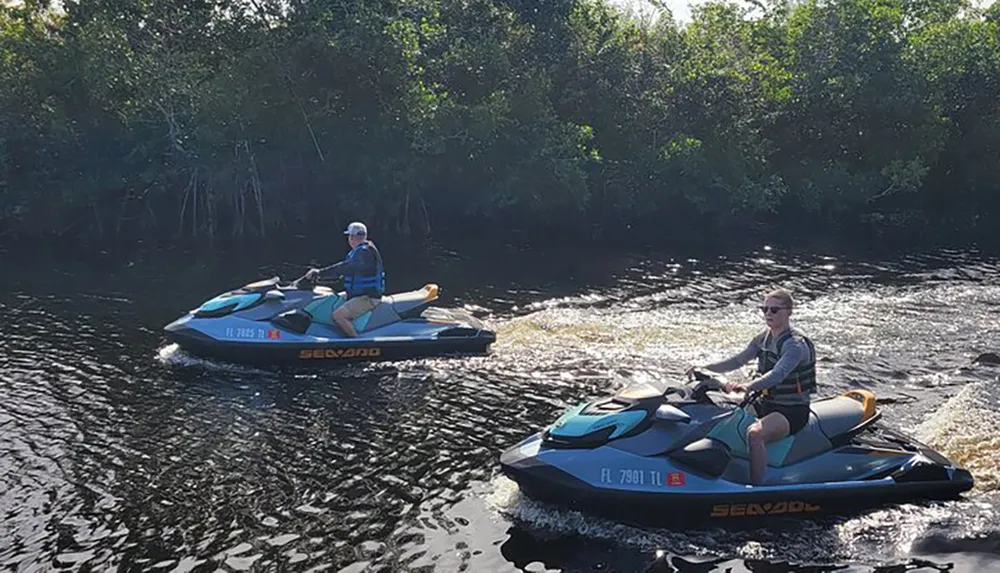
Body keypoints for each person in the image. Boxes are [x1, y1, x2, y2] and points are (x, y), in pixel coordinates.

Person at [686, 288, 816, 485]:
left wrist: (748, 386)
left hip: (791, 410)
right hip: (765, 402)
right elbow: (738, 361)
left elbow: (778, 374)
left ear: (789, 311)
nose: (768, 314)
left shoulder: (795, 345)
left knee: (755, 434)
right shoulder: (762, 338)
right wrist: (704, 367)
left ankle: (755, 487)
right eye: (764, 309)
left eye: (774, 310)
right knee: (719, 411)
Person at [304, 221, 385, 337]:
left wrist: (320, 273)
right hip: (358, 294)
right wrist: (320, 277)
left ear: (353, 237)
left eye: (350, 236)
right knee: (328, 298)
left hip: (368, 297)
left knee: (338, 315)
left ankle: (356, 344)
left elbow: (345, 268)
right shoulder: (360, 252)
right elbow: (345, 271)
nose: (349, 239)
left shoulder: (364, 253)